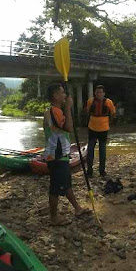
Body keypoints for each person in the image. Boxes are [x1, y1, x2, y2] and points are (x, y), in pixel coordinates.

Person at [44, 83, 89, 225]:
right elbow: (69, 128)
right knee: (56, 187)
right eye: (62, 93)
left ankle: (77, 208)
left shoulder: (54, 111)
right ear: (55, 96)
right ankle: (53, 218)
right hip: (56, 155)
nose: (65, 95)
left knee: (66, 183)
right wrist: (68, 108)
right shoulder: (54, 111)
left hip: (59, 154)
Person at [84, 85, 116, 177]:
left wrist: (108, 121)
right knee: (90, 150)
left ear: (104, 93)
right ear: (95, 93)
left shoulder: (109, 102)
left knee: (102, 151)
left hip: (104, 129)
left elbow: (113, 113)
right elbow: (87, 112)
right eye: (97, 92)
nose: (99, 94)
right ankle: (89, 170)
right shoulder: (90, 101)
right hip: (92, 128)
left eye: (100, 92)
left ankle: (102, 170)